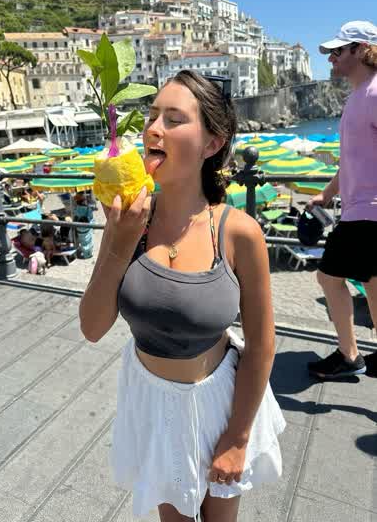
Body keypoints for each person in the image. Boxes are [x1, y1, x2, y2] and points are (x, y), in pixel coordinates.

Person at [79, 70, 286, 522]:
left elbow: (262, 344)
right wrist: (118, 242)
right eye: (152, 116)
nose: (154, 129)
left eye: (174, 119)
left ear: (212, 143)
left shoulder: (237, 232)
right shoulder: (129, 221)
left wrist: (237, 438)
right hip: (152, 402)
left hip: (221, 402)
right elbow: (92, 328)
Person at [306, 21, 377, 380]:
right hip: (361, 210)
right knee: (372, 281)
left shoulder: (374, 94)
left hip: (368, 212)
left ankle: (349, 355)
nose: (331, 58)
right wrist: (327, 194)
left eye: (338, 51)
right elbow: (353, 160)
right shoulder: (359, 95)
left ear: (361, 49)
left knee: (328, 277)